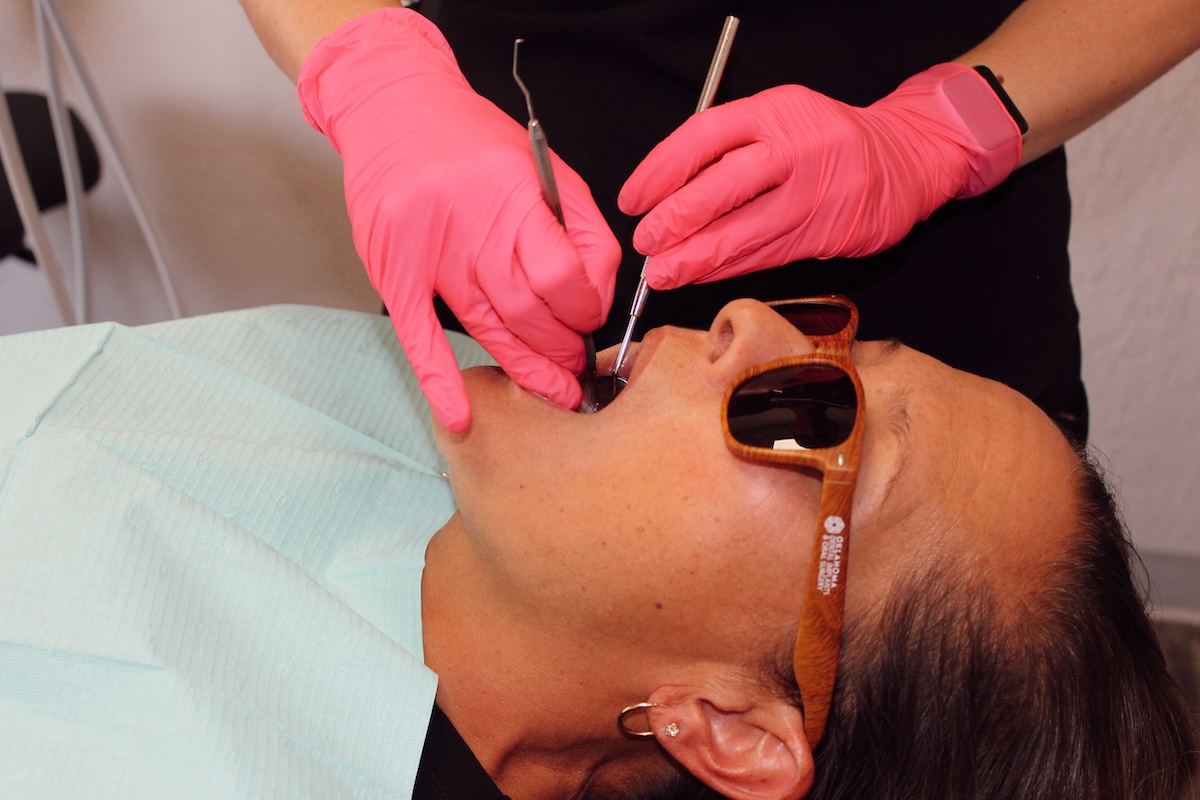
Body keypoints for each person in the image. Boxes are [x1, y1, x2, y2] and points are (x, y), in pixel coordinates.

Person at [0, 299, 1194, 799]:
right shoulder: (403, 393)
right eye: (847, 340)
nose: (752, 321)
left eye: (819, 418)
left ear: (727, 724)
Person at [238, 0, 1200, 442]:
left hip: (932, 253)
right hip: (489, 229)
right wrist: (371, 75)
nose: (741, 329)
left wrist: (942, 132)